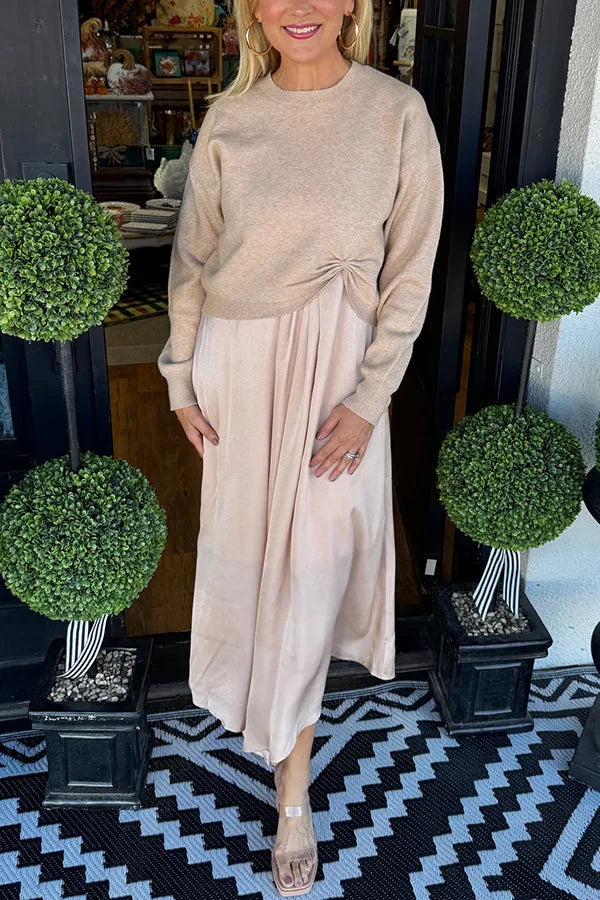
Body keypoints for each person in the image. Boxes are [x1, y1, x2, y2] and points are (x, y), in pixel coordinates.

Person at [157, 0, 444, 893]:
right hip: (239, 368)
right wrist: (179, 376)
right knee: (248, 561)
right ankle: (274, 744)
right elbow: (193, 259)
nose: (300, 8)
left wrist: (370, 397)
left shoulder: (396, 114)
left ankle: (292, 792)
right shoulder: (230, 119)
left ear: (353, 3)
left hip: (339, 384)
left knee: (314, 571)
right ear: (254, 11)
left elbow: (411, 269)